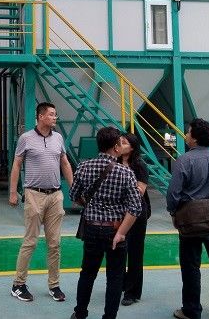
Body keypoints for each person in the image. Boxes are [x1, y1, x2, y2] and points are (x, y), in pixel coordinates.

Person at [166, 118, 209, 319]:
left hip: (189, 224)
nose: (186, 135)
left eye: (188, 132)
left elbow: (173, 194)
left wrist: (173, 213)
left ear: (195, 138)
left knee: (191, 268)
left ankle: (192, 310)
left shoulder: (184, 161)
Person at [69, 126, 142, 319]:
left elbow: (73, 195)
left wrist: (89, 204)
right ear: (116, 147)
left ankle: (80, 313)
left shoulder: (84, 167)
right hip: (115, 229)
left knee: (87, 273)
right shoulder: (125, 173)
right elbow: (135, 208)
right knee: (115, 277)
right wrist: (121, 233)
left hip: (91, 228)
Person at [9, 102, 73, 303]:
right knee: (30, 241)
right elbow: (17, 164)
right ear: (41, 116)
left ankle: (54, 285)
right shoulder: (26, 138)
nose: (55, 117)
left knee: (55, 244)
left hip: (55, 196)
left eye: (55, 114)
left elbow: (65, 163)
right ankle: (18, 284)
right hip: (34, 195)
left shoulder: (58, 138)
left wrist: (74, 188)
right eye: (52, 114)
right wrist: (13, 192)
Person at [118, 132, 151, 306]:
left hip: (136, 213)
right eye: (119, 142)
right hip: (118, 212)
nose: (120, 144)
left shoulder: (139, 165)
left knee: (135, 252)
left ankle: (132, 292)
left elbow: (140, 191)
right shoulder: (114, 162)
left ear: (132, 147)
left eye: (124, 142)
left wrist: (119, 186)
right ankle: (122, 283)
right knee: (118, 250)